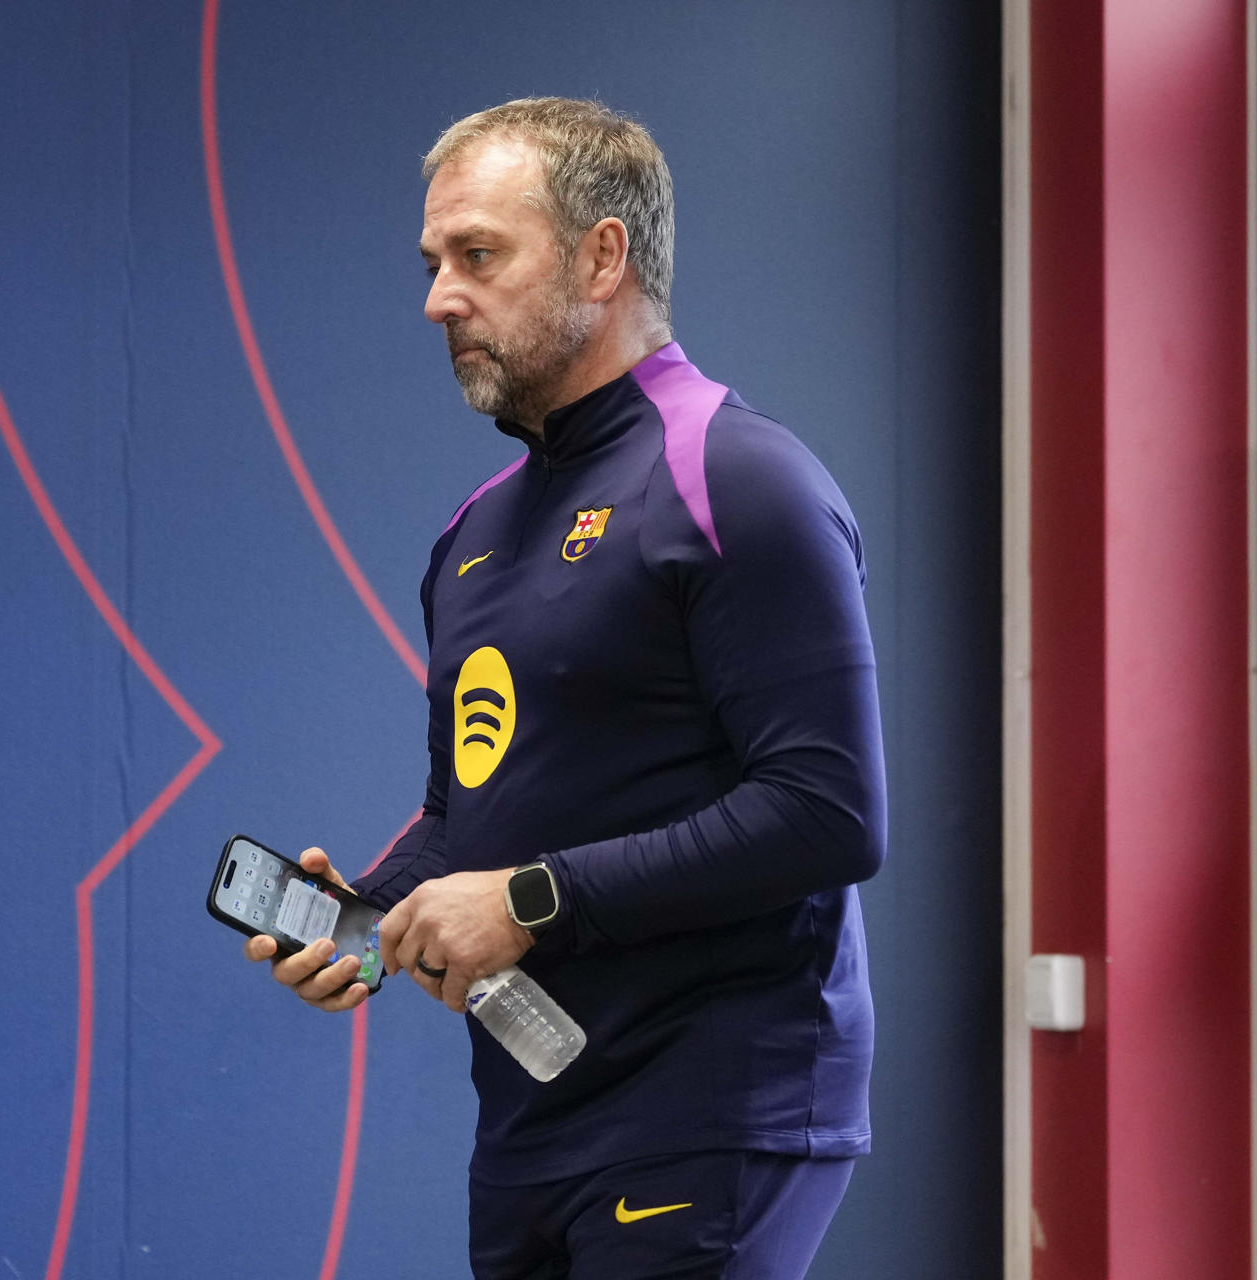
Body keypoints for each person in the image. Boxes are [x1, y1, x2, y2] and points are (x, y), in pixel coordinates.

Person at [242, 97, 885, 1279]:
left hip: (713, 1104)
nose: (440, 296)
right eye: (434, 262)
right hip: (534, 1118)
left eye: (479, 254)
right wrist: (374, 916)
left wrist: (529, 901)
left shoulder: (736, 477)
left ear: (603, 253)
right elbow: (474, 810)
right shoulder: (473, 533)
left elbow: (829, 810)